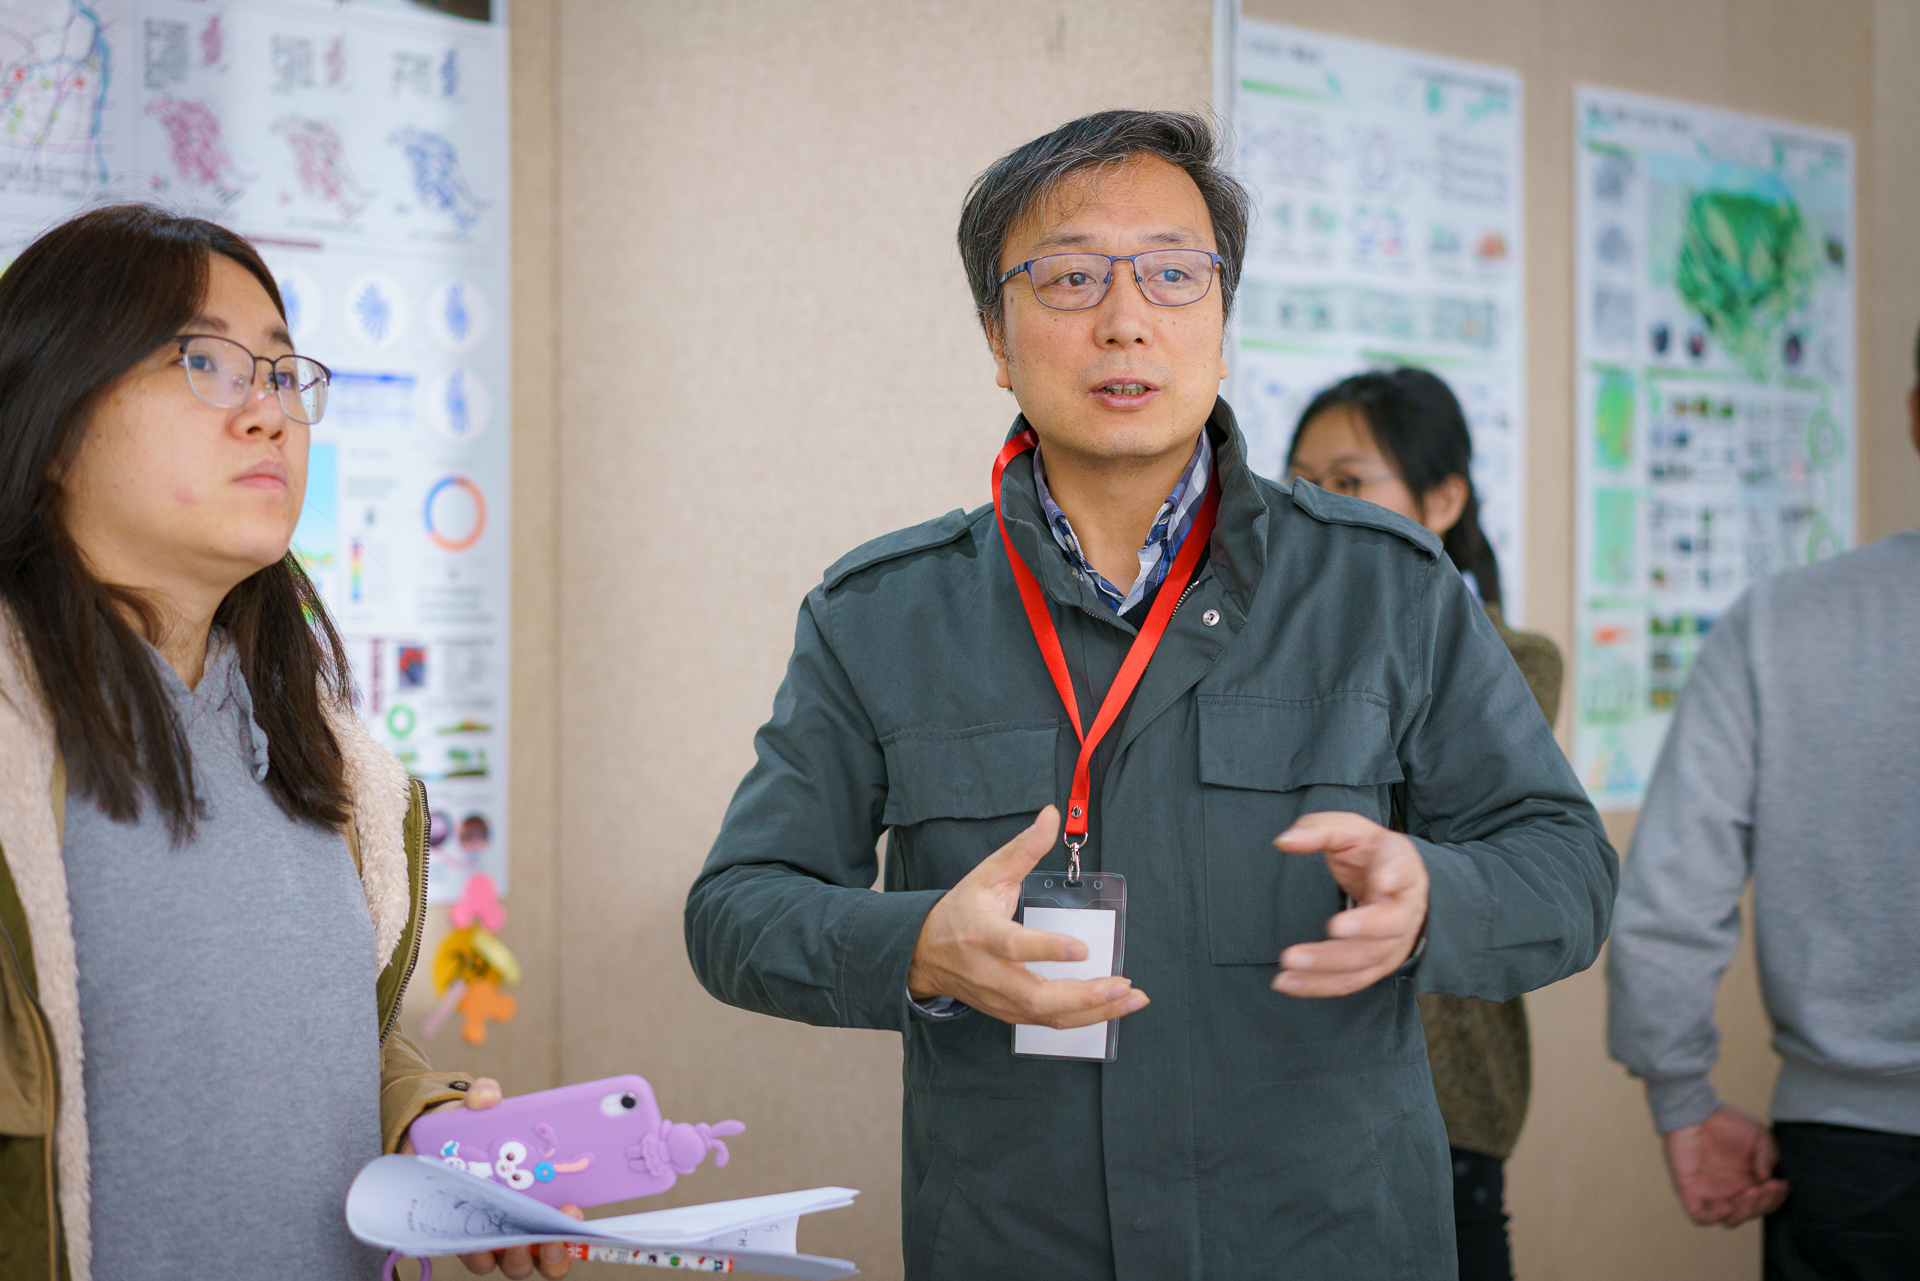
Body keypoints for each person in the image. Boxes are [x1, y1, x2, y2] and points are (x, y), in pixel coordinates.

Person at [684, 110, 1615, 1280]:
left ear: (1222, 325)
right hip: (1017, 1247)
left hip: (1329, 1242)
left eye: (1175, 274)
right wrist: (915, 945)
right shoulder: (880, 614)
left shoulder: (1385, 587)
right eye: (1071, 276)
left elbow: (1568, 869)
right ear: (998, 336)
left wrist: (1435, 897)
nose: (1126, 318)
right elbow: (736, 910)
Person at [0, 206, 573, 1281]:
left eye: (280, 372)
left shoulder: (338, 770)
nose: (268, 412)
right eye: (206, 362)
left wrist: (420, 1124)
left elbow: (299, 1051)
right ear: (52, 417)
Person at [1606, 345, 1920, 1279]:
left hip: (1850, 1163)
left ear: (1913, 416)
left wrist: (1682, 1095)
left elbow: (1670, 891)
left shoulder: (1783, 622)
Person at [1287, 367, 1564, 1281]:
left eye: (1350, 480)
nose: (1319, 504)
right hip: (1298, 1078)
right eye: (1302, 480)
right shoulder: (1277, 644)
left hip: (1449, 1090)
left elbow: (1431, 816)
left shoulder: (1514, 660)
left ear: (1442, 500)